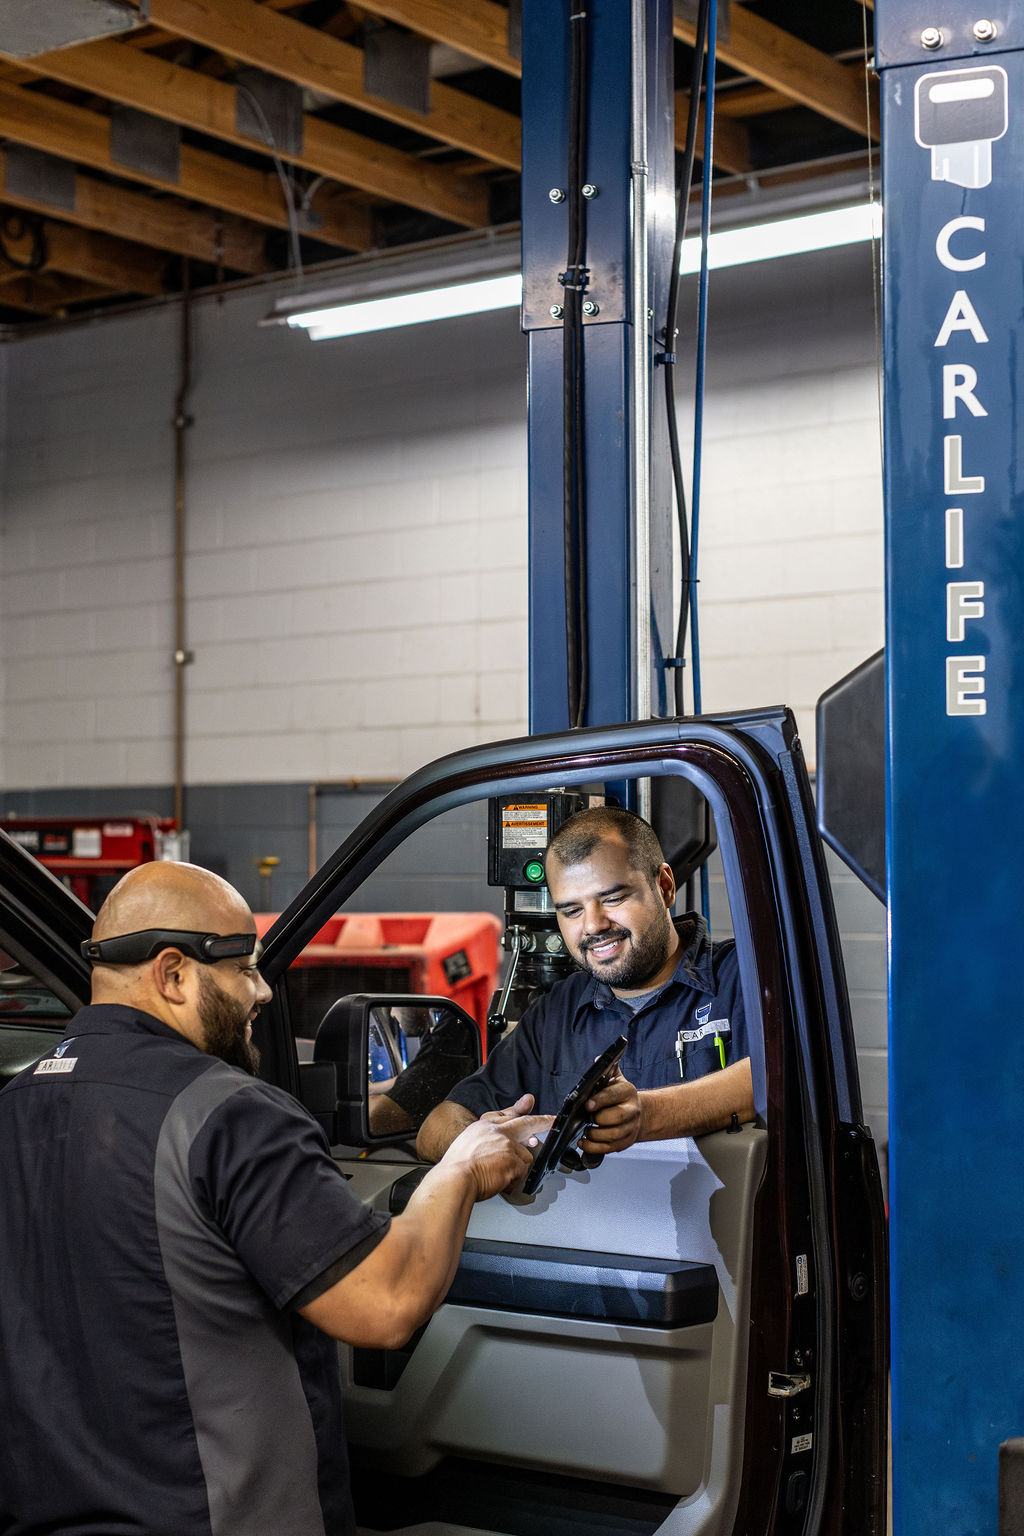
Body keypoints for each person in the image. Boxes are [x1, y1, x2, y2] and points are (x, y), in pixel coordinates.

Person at [0, 861, 548, 1536]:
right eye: (243, 967)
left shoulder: (13, 1106)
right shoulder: (229, 1114)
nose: (262, 991)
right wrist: (462, 1167)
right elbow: (386, 1303)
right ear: (173, 974)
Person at [417, 806, 755, 1165]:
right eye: (572, 911)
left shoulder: (744, 978)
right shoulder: (556, 1015)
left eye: (612, 898)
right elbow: (436, 1127)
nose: (593, 925)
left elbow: (781, 1078)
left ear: (665, 887)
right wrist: (482, 1144)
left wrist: (646, 1116)